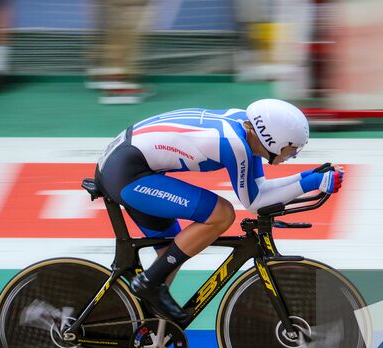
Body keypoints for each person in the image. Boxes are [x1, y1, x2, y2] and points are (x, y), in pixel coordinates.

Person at [96, 98, 342, 325]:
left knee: (171, 253)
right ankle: (148, 284)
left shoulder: (247, 128)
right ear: (274, 140)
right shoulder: (235, 144)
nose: (293, 155)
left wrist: (308, 177)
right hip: (128, 173)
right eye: (291, 149)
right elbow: (255, 202)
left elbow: (260, 188)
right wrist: (309, 184)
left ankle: (138, 327)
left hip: (126, 163)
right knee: (222, 214)